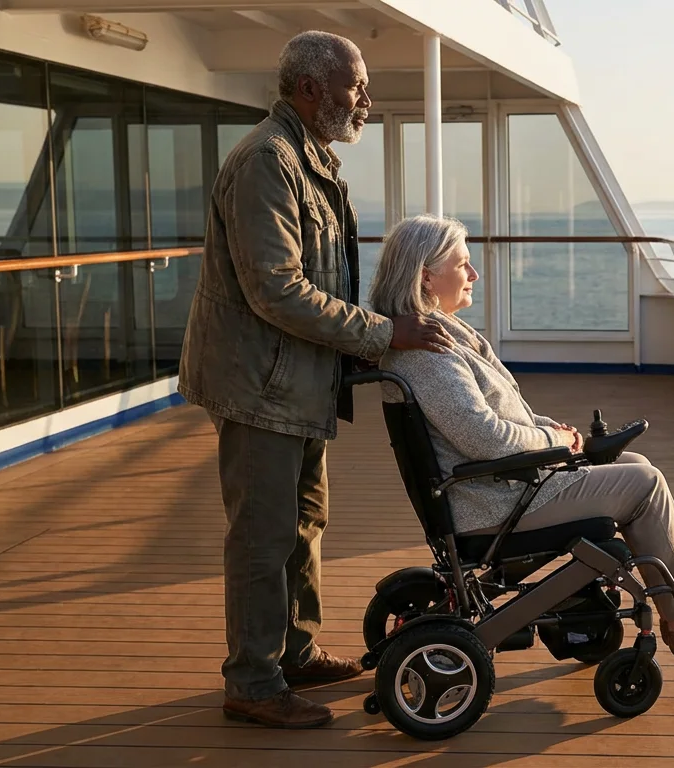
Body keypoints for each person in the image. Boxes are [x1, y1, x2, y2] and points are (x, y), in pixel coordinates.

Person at [177, 31, 455, 729]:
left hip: (297, 382)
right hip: (259, 386)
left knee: (303, 522)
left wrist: (356, 348)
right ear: (310, 89)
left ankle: (293, 651)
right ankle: (252, 680)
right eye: (354, 86)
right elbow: (277, 290)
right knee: (263, 535)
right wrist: (384, 334)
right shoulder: (267, 163)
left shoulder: (313, 160)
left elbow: (321, 281)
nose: (365, 99)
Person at [371, 214, 674, 656]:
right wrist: (555, 444)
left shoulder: (439, 334)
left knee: (634, 466)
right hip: (492, 504)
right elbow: (485, 439)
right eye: (463, 265)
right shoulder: (428, 355)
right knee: (644, 485)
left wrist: (547, 429)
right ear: (425, 277)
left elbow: (494, 419)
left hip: (502, 488)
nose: (474, 274)